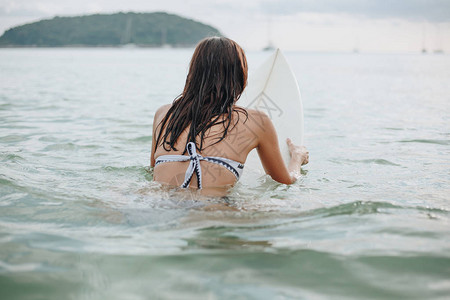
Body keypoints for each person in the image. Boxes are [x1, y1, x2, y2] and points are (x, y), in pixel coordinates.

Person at [150, 37, 308, 191]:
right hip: (213, 211)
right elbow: (284, 181)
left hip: (155, 202)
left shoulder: (163, 114)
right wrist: (297, 159)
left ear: (193, 72)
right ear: (240, 76)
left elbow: (152, 171)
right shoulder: (257, 122)